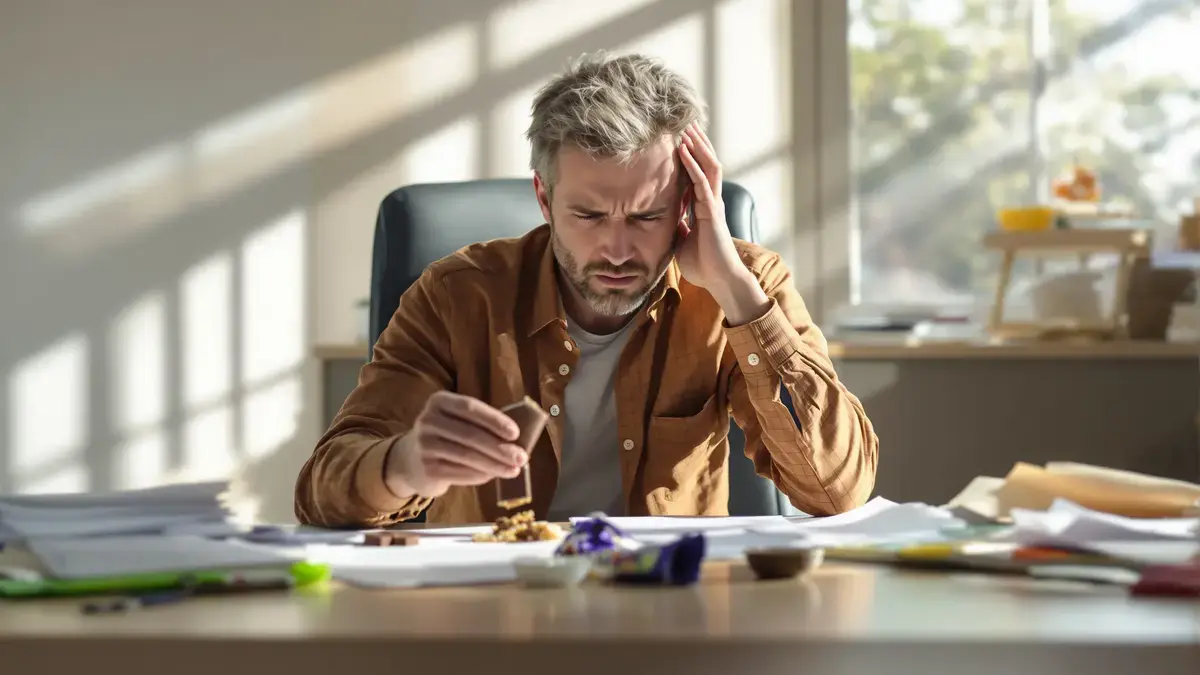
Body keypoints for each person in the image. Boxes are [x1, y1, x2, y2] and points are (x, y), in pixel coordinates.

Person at [295, 52, 878, 527]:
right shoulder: (456, 296)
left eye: (647, 217)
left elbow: (838, 490)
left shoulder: (745, 287)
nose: (619, 250)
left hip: (669, 614)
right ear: (545, 200)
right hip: (495, 616)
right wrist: (403, 467)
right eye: (590, 216)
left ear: (686, 205)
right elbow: (320, 492)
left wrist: (735, 292)